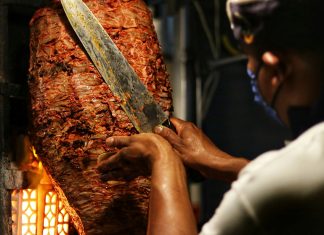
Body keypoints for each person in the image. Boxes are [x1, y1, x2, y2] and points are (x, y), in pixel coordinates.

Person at [98, 0, 324, 234]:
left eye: (249, 58)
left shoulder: (260, 195)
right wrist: (219, 163)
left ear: (277, 70)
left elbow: (283, 180)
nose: (249, 68)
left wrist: (163, 158)